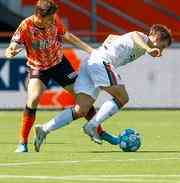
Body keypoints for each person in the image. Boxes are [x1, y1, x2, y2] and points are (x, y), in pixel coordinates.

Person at [33, 24, 172, 151]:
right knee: (122, 97)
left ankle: (44, 129)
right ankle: (92, 125)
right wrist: (148, 48)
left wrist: (105, 49)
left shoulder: (138, 44)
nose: (161, 50)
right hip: (101, 62)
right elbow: (135, 34)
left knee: (81, 110)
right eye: (162, 45)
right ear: (156, 37)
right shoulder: (142, 38)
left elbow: (111, 37)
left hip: (91, 61)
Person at [5, 0, 96, 153]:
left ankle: (97, 130)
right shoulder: (25, 26)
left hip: (59, 64)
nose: (53, 20)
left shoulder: (54, 20)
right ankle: (22, 143)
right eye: (49, 18)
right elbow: (11, 46)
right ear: (40, 16)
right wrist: (10, 52)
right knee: (33, 98)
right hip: (38, 68)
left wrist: (91, 50)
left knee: (83, 97)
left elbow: (69, 36)